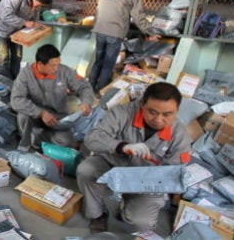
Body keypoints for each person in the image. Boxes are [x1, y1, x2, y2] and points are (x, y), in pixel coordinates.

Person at [77, 82, 191, 233]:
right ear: (142, 104)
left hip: (146, 183)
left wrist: (144, 182)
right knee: (86, 170)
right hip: (113, 166)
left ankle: (126, 209)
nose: (158, 119)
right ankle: (97, 215)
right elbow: (92, 138)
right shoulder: (121, 113)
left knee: (142, 223)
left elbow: (174, 174)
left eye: (167, 114)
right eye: (152, 112)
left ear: (176, 111)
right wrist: (121, 146)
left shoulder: (180, 135)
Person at [10, 44, 94, 151]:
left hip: (57, 118)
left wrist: (86, 102)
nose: (56, 68)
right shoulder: (25, 74)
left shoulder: (64, 71)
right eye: (53, 65)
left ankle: (37, 139)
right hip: (35, 115)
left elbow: (84, 87)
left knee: (67, 142)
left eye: (58, 64)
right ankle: (25, 144)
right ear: (40, 64)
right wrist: (41, 113)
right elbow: (16, 100)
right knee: (23, 116)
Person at [87, 0, 159, 93]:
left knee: (98, 61)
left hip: (100, 30)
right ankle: (100, 91)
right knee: (108, 64)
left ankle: (88, 89)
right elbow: (138, 18)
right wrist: (151, 33)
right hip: (115, 33)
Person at [0, 0, 53, 79]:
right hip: (2, 28)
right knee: (4, 57)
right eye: (38, 4)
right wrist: (25, 22)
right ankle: (7, 82)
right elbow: (5, 16)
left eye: (41, 6)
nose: (38, 7)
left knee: (18, 56)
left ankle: (16, 80)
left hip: (18, 31)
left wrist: (35, 24)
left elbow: (34, 14)